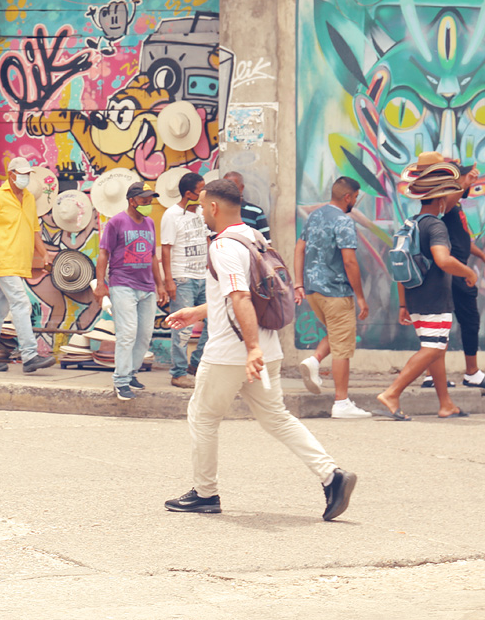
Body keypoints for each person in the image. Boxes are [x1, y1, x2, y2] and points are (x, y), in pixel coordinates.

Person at [163, 178, 357, 520]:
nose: (200, 212)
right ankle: (332, 476)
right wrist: (197, 312)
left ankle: (205, 494)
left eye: (201, 206)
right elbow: (243, 294)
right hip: (266, 350)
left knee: (203, 416)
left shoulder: (222, 247)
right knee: (277, 418)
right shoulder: (254, 238)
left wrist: (250, 348)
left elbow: (240, 297)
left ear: (213, 207)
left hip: (231, 353)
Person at [376, 170, 477, 420]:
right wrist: (468, 272)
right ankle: (391, 393)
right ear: (440, 200)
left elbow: (399, 265)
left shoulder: (411, 223)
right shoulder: (436, 225)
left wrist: (402, 304)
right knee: (432, 348)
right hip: (435, 300)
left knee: (436, 349)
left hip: (415, 299)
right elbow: (443, 260)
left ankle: (446, 404)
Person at [0, 157, 55, 373]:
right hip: (2, 260)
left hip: (19, 263)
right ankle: (30, 355)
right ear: (11, 173)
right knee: (21, 304)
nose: (24, 177)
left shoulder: (30, 199)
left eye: (27, 174)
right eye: (21, 173)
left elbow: (34, 231)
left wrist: (44, 254)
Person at [293, 176, 371, 419]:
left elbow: (299, 248)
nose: (355, 202)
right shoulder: (344, 222)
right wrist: (360, 297)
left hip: (314, 291)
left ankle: (315, 360)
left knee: (337, 334)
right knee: (343, 349)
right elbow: (349, 261)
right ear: (348, 197)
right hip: (337, 292)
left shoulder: (315, 215)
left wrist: (298, 283)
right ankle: (341, 402)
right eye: (356, 197)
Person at [94, 181, 167, 400]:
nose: (148, 202)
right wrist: (100, 285)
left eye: (150, 199)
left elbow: (153, 256)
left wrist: (160, 284)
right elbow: (104, 254)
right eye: (144, 199)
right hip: (122, 284)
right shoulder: (116, 222)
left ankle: (132, 372)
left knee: (144, 335)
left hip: (146, 287)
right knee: (127, 334)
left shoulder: (150, 223)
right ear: (132, 200)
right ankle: (121, 380)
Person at [424, 176, 485, 389]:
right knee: (459, 321)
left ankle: (435, 375)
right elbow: (444, 207)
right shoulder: (443, 203)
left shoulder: (455, 205)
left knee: (448, 322)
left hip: (456, 270)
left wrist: (482, 255)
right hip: (453, 271)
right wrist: (463, 182)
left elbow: (462, 239)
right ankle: (470, 373)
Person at [161, 171, 207, 388]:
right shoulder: (171, 215)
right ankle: (178, 373)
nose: (204, 193)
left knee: (215, 321)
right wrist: (168, 279)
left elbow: (207, 238)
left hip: (203, 277)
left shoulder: (201, 212)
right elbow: (166, 249)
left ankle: (196, 363)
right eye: (200, 190)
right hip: (183, 278)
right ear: (189, 193)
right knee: (182, 328)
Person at [223, 171, 271, 243]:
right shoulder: (218, 211)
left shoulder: (256, 212)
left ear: (241, 188)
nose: (229, 191)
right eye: (225, 187)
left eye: (233, 187)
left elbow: (266, 244)